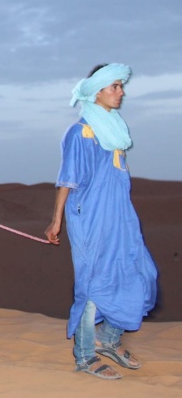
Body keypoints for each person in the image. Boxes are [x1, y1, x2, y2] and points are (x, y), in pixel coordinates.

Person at [46, 64, 157, 380]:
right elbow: (67, 179)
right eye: (115, 87)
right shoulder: (80, 132)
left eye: (121, 86)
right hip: (91, 219)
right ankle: (83, 356)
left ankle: (108, 340)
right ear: (97, 91)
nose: (121, 92)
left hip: (120, 217)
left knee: (138, 274)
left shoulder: (114, 129)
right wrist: (56, 221)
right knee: (94, 284)